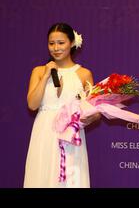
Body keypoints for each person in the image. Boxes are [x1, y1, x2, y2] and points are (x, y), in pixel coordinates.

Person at [24, 23, 100, 188]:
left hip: (69, 135)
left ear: (72, 43)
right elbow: (32, 104)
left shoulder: (84, 73)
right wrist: (45, 76)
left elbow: (94, 110)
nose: (56, 48)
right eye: (52, 43)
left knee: (69, 180)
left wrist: (87, 119)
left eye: (61, 43)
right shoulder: (38, 71)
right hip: (44, 133)